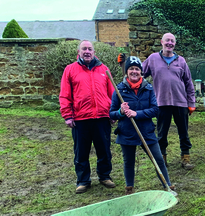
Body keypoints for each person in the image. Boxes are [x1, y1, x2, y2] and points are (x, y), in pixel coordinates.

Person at [110, 56, 175, 195]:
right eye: (131, 69)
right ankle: (129, 189)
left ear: (141, 71)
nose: (134, 71)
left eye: (137, 69)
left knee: (158, 159)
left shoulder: (148, 88)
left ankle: (167, 185)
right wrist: (121, 112)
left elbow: (155, 109)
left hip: (147, 131)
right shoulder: (119, 90)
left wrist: (136, 114)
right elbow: (112, 114)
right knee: (129, 162)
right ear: (126, 71)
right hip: (127, 132)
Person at [59, 40, 116, 194]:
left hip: (102, 117)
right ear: (79, 52)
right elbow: (65, 95)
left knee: (104, 150)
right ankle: (83, 180)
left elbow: (112, 94)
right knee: (81, 151)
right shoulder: (70, 70)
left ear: (94, 52)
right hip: (80, 119)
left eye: (90, 49)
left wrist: (113, 112)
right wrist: (67, 115)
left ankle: (104, 176)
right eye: (84, 49)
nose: (87, 51)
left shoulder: (104, 70)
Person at [142, 33, 196, 170]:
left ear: (175, 44)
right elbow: (139, 73)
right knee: (162, 134)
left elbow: (189, 83)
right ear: (162, 42)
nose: (170, 43)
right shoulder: (153, 58)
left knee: (183, 132)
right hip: (161, 103)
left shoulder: (181, 61)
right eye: (167, 40)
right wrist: (126, 65)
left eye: (172, 41)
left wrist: (191, 103)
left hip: (180, 103)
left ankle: (185, 157)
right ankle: (162, 158)